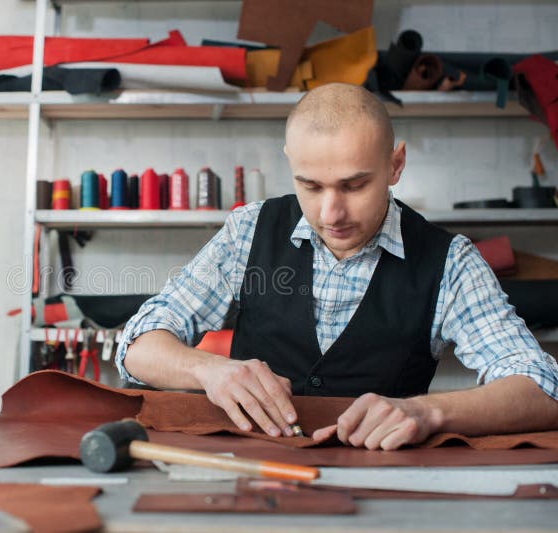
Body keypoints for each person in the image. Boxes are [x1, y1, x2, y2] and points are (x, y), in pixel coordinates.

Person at [115, 83, 558, 451]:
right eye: (310, 185)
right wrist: (206, 370)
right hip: (253, 472)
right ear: (290, 164)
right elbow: (137, 345)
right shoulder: (249, 231)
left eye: (354, 185)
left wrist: (429, 410)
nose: (330, 213)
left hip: (386, 484)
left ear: (395, 165)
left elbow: (542, 390)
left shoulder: (450, 263)